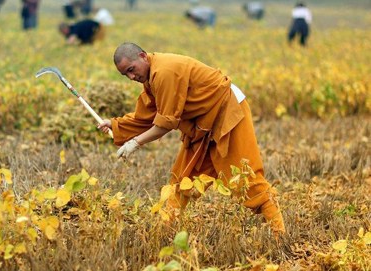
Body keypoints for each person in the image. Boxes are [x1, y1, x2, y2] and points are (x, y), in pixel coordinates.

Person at [97, 42, 285, 234]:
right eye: (125, 75)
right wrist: (115, 124)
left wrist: (135, 142)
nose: (131, 77)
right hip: (202, 124)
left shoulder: (163, 72)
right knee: (182, 178)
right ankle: (163, 231)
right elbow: (146, 116)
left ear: (143, 57)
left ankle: (279, 233)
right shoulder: (150, 78)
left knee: (244, 178)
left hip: (228, 111)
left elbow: (165, 123)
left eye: (131, 70)